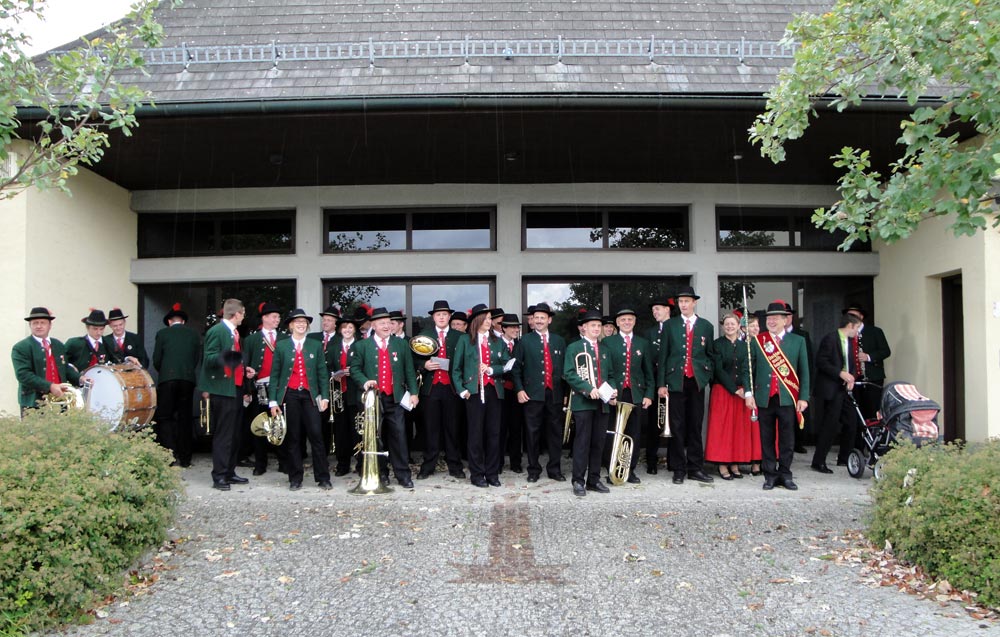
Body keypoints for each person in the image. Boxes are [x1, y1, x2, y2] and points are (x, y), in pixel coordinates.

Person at [349, 307, 420, 488]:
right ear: (373, 325)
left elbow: (409, 370)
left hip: (395, 398)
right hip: (373, 400)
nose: (387, 325)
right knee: (375, 438)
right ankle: (380, 473)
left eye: (389, 322)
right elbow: (354, 369)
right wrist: (365, 381)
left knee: (399, 436)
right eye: (382, 323)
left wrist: (413, 393)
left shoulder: (401, 344)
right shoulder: (361, 345)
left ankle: (403, 474)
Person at [745, 301, 811, 491]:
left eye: (775, 318)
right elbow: (749, 370)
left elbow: (804, 371)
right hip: (765, 397)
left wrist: (803, 397)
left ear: (785, 320)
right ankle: (770, 475)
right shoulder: (759, 341)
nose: (771, 321)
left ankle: (785, 473)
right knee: (766, 438)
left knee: (787, 439)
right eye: (769, 318)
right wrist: (749, 393)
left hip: (787, 397)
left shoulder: (797, 341)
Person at [656, 286, 716, 484]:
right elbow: (663, 355)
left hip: (696, 382)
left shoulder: (706, 326)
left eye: (687, 301)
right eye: (680, 302)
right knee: (677, 426)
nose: (683, 305)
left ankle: (695, 468)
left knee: (695, 425)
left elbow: (709, 355)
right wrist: (661, 383)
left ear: (694, 302)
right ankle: (678, 469)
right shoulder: (671, 325)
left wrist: (706, 375)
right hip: (675, 382)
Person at [267, 309, 332, 491]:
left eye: (304, 322)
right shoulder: (281, 346)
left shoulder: (315, 344)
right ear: (290, 325)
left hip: (310, 396)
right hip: (290, 395)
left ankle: (323, 477)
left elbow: (321, 372)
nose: (301, 324)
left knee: (317, 436)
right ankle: (295, 478)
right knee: (293, 438)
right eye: (297, 322)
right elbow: (275, 375)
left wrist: (325, 396)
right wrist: (273, 401)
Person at [451, 304, 510, 487]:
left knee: (494, 433)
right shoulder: (465, 340)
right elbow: (456, 369)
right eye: (486, 318)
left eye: (490, 318)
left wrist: (492, 369)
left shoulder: (497, 340)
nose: (489, 322)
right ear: (477, 320)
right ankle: (477, 474)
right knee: (475, 434)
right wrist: (462, 390)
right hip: (474, 392)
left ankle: (492, 473)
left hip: (493, 391)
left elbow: (507, 364)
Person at [199, 298, 252, 492]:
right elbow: (209, 358)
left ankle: (229, 471)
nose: (243, 317)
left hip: (235, 388)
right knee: (224, 434)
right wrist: (231, 356)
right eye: (243, 313)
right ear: (235, 314)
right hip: (222, 389)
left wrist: (244, 369)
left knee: (235, 433)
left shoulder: (234, 332)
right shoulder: (217, 331)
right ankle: (219, 475)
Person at [563, 309, 617, 496]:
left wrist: (613, 391)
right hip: (583, 403)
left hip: (602, 403)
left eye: (598, 325)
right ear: (584, 328)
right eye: (592, 325)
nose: (596, 328)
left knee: (598, 443)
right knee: (582, 443)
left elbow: (610, 376)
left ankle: (594, 479)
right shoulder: (574, 348)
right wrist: (588, 389)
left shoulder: (605, 350)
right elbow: (569, 374)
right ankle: (578, 481)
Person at [512, 302, 567, 483]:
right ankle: (533, 469)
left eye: (543, 317)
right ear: (532, 321)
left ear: (549, 320)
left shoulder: (559, 341)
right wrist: (519, 389)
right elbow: (516, 369)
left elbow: (566, 371)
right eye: (536, 318)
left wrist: (565, 393)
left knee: (555, 433)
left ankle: (554, 469)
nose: (539, 320)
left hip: (555, 394)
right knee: (532, 433)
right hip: (532, 394)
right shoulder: (525, 341)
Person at [601, 308, 653, 484]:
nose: (627, 322)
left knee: (634, 433)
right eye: (623, 320)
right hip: (616, 394)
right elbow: (604, 371)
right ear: (617, 323)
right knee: (614, 432)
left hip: (636, 394)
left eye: (630, 319)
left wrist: (649, 394)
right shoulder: (608, 342)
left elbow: (648, 372)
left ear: (634, 322)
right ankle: (612, 469)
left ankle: (629, 470)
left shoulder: (643, 343)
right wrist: (609, 393)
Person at [414, 299, 464, 480]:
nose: (442, 317)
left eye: (444, 314)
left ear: (449, 316)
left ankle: (455, 465)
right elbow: (413, 360)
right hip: (431, 388)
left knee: (452, 428)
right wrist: (423, 365)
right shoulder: (424, 335)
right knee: (431, 428)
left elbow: (465, 361)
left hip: (451, 388)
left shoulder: (459, 337)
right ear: (433, 317)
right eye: (438, 314)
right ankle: (428, 466)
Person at [704, 313, 756, 480]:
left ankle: (735, 462)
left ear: (738, 325)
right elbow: (718, 370)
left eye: (732, 324)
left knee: (737, 429)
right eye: (726, 324)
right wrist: (734, 390)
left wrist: (746, 391)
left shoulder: (745, 346)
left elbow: (747, 370)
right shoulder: (717, 345)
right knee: (722, 429)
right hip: (723, 391)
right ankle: (722, 464)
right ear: (723, 326)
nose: (729, 326)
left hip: (741, 392)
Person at [810, 313, 863, 473]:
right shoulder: (831, 338)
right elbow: (821, 361)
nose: (858, 332)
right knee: (830, 425)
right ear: (850, 325)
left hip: (844, 388)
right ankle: (818, 461)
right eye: (857, 328)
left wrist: (851, 377)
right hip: (830, 388)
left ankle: (844, 458)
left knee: (852, 422)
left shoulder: (850, 341)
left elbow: (851, 363)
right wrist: (840, 373)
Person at [152, 303, 200, 467]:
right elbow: (195, 359)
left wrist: (165, 371)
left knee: (165, 417)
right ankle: (186, 458)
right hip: (187, 379)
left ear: (170, 321)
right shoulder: (193, 335)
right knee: (185, 418)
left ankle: (169, 456)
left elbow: (157, 360)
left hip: (167, 379)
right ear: (183, 321)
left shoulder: (162, 333)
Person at [242, 302, 287, 476]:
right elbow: (246, 366)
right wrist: (247, 389)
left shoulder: (284, 338)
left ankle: (283, 461)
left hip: (279, 388)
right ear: (265, 318)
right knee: (260, 425)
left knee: (280, 425)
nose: (277, 319)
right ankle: (260, 463)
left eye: (278, 317)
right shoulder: (252, 339)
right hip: (259, 387)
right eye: (274, 316)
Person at [12, 307, 80, 415]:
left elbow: (64, 368)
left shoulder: (58, 345)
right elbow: (23, 374)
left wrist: (80, 378)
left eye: (43, 323)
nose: (39, 326)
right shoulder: (21, 347)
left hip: (59, 400)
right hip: (34, 403)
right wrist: (50, 386)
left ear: (50, 325)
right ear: (30, 325)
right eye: (35, 323)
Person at [328, 313, 363, 476]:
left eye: (350, 327)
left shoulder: (361, 346)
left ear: (354, 330)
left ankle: (361, 464)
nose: (347, 330)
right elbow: (326, 367)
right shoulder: (333, 347)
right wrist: (334, 374)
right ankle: (343, 464)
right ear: (340, 330)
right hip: (338, 394)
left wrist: (354, 372)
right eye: (344, 327)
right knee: (341, 431)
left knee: (358, 430)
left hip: (356, 394)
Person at [843, 303, 891, 420]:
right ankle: (857, 437)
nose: (851, 318)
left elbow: (886, 351)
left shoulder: (875, 331)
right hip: (853, 379)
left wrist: (868, 357)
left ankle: (872, 436)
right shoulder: (845, 333)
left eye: (854, 315)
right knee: (854, 411)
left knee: (872, 410)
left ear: (861, 317)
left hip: (872, 378)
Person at [308, 304, 342, 463]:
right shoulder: (312, 337)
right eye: (324, 320)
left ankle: (334, 448)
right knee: (318, 418)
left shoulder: (341, 339)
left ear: (336, 323)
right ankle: (321, 451)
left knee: (334, 417)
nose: (326, 323)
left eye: (329, 320)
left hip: (335, 384)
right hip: (316, 384)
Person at [644, 297, 673, 474]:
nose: (655, 312)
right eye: (653, 310)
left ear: (667, 309)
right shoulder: (650, 333)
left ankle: (673, 460)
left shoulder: (677, 328)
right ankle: (651, 461)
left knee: (675, 423)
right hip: (656, 382)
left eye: (658, 309)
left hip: (674, 381)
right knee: (654, 424)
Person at [781, 301, 814, 454]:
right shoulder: (767, 336)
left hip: (796, 381)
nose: (785, 318)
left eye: (787, 315)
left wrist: (807, 388)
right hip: (779, 382)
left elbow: (808, 362)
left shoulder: (802, 335)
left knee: (798, 414)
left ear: (791, 317)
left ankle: (798, 442)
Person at [497, 313, 524, 472]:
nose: (516, 330)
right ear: (504, 328)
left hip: (517, 392)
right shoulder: (496, 343)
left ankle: (516, 463)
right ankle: (498, 462)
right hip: (501, 391)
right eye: (512, 327)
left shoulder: (520, 344)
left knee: (516, 428)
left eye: (517, 327)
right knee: (499, 428)